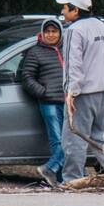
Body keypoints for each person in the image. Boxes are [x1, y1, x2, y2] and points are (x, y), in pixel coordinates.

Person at [59, 0, 104, 185]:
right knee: (103, 135)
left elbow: (72, 64)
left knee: (74, 137)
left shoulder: (74, 31)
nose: (62, 10)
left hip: (83, 93)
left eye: (66, 7)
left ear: (75, 10)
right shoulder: (103, 27)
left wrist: (71, 92)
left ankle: (72, 179)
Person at [19, 18, 66, 186]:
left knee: (70, 139)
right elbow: (27, 77)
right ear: (43, 33)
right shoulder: (35, 52)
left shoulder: (68, 48)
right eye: (48, 31)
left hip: (69, 101)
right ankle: (58, 176)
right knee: (57, 140)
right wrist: (42, 92)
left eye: (54, 31)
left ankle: (52, 171)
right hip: (49, 102)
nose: (51, 34)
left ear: (60, 32)